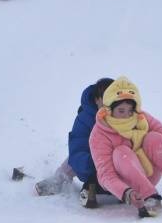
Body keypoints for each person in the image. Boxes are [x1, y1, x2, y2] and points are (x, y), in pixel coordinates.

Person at [89, 76, 162, 218]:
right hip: (126, 186)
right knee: (121, 152)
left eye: (130, 111)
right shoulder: (100, 133)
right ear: (109, 110)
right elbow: (105, 175)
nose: (126, 115)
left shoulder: (140, 117)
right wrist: (127, 193)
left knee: (155, 137)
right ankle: (149, 196)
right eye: (121, 111)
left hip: (148, 173)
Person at [34, 78, 115, 208]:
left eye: (112, 99)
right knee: (72, 161)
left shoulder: (123, 114)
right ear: (96, 100)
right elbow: (78, 146)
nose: (109, 104)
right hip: (91, 158)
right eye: (104, 100)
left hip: (115, 159)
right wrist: (89, 164)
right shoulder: (86, 119)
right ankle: (59, 180)